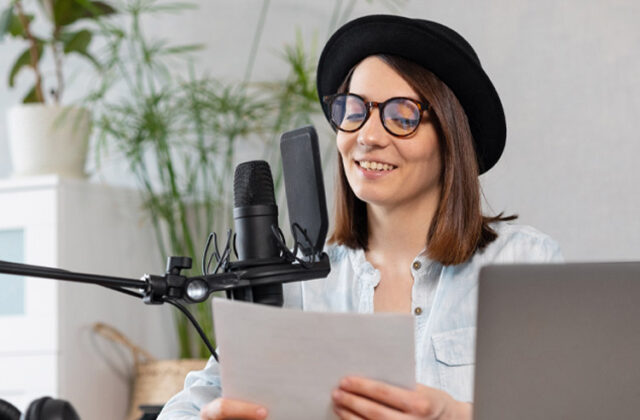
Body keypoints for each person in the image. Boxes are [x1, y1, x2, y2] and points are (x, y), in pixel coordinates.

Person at [158, 14, 562, 420]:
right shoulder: (297, 288)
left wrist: (457, 415)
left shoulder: (523, 263)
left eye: (403, 115)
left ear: (450, 136)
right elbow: (185, 409)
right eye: (354, 110)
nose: (368, 136)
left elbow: (578, 405)